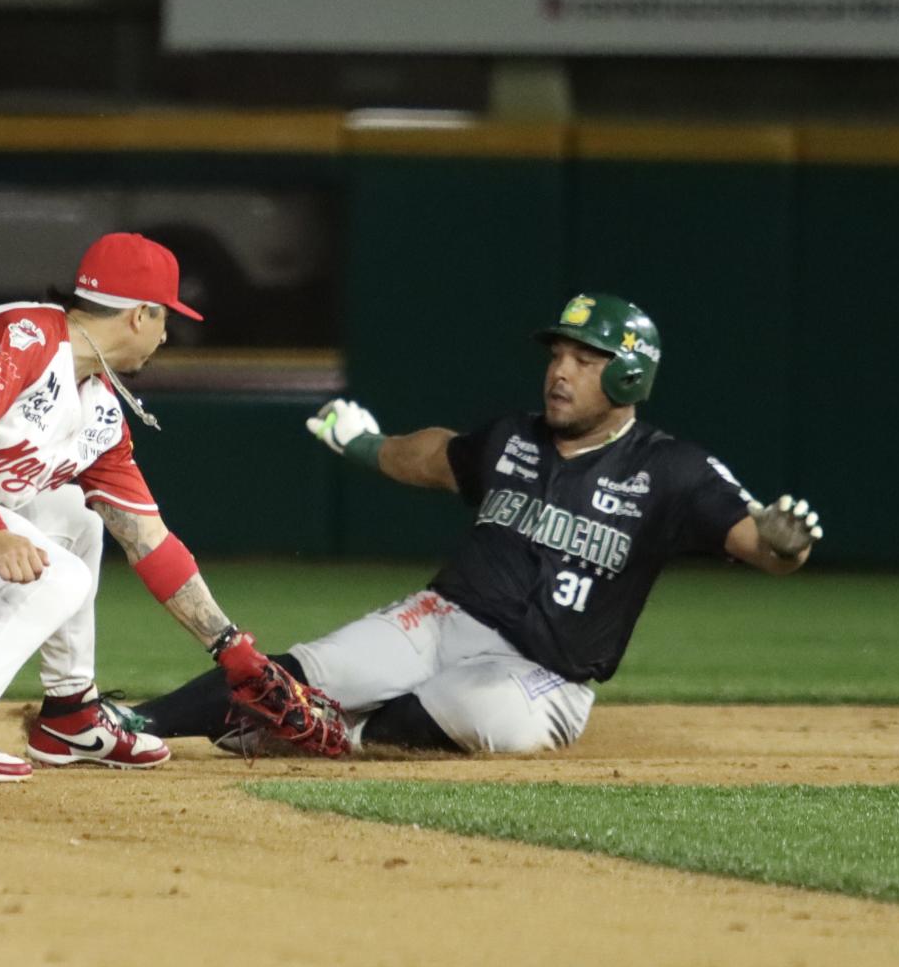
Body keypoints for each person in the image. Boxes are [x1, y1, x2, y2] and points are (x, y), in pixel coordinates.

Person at [130, 292, 825, 756]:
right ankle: (134, 722)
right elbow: (430, 456)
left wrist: (783, 543)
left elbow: (758, 540)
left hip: (546, 673)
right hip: (443, 618)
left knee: (489, 715)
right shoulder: (513, 438)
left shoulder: (671, 469)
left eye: (585, 361)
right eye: (557, 355)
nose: (560, 372)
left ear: (629, 377)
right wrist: (364, 444)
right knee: (310, 670)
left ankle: (332, 734)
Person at [0, 232, 347, 783]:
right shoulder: (25, 335)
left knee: (78, 519)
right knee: (59, 576)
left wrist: (232, 650)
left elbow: (149, 540)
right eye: (165, 318)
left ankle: (70, 714)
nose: (166, 335)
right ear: (139, 315)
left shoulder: (98, 411)